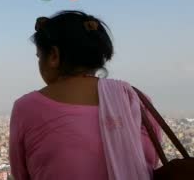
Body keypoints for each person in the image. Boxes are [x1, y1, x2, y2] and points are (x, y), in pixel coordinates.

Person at [9, 11, 160, 180]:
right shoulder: (134, 99)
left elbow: (21, 174)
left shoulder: (27, 108)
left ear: (53, 56)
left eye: (39, 56)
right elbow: (148, 164)